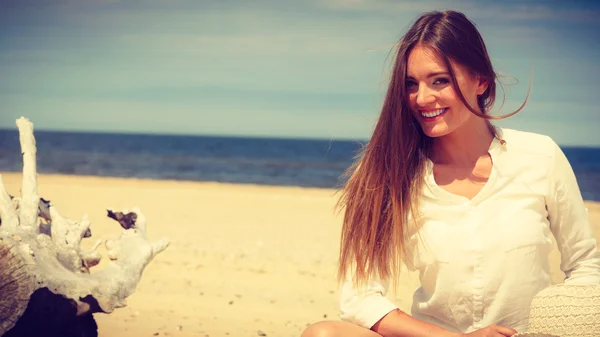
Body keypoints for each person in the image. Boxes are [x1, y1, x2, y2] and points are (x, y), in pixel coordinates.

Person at [301, 9, 600, 337]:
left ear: (481, 80)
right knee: (323, 334)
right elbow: (360, 297)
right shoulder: (386, 173)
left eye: (439, 80)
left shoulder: (540, 156)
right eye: (411, 84)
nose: (422, 98)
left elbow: (586, 267)